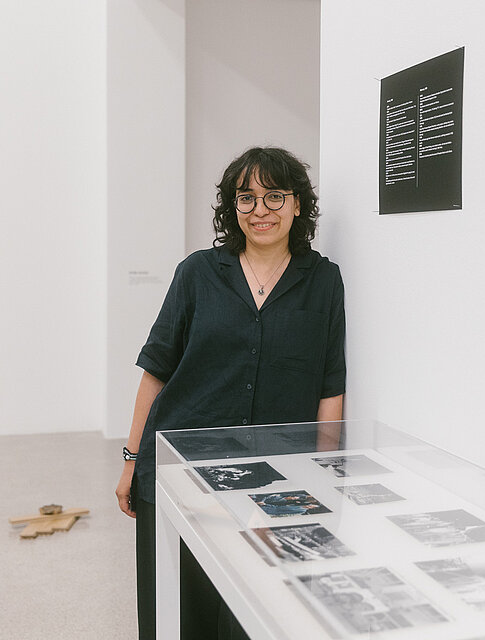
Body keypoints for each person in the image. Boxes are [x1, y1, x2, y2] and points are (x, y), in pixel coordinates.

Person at [114, 146, 346, 639]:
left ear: (298, 204)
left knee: (256, 616)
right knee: (177, 615)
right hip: (181, 472)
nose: (261, 210)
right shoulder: (197, 272)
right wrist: (133, 458)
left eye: (275, 196)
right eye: (247, 198)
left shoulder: (323, 280)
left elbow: (330, 383)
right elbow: (156, 370)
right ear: (231, 207)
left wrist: (327, 477)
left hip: (278, 480)